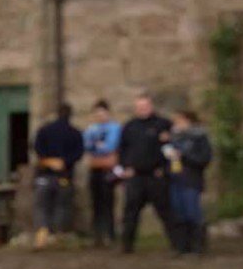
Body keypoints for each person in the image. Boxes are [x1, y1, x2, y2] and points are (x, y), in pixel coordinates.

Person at [118, 92, 174, 254]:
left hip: (156, 176)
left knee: (165, 211)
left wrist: (164, 168)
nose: (143, 109)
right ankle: (126, 246)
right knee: (130, 212)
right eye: (139, 107)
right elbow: (122, 149)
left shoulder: (163, 124)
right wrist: (125, 167)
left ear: (151, 106)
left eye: (145, 106)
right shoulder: (129, 126)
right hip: (135, 176)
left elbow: (171, 148)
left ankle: (176, 244)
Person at [32, 102, 85, 249]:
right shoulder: (75, 133)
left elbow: (37, 149)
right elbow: (78, 154)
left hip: (44, 176)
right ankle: (57, 235)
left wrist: (49, 161)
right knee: (62, 206)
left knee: (42, 206)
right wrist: (64, 162)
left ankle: (42, 233)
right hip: (65, 177)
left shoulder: (44, 130)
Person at [165, 109, 214, 255]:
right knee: (178, 212)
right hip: (175, 179)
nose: (177, 124)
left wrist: (184, 156)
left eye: (179, 121)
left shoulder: (200, 138)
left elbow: (204, 159)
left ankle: (198, 245)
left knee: (192, 212)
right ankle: (182, 246)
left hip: (191, 179)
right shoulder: (173, 138)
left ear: (188, 121)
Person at [83, 99, 122, 247]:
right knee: (96, 203)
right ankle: (97, 235)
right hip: (95, 169)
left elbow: (110, 146)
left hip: (108, 169)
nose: (99, 116)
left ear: (107, 113)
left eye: (102, 113)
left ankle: (110, 234)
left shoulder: (114, 128)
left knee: (108, 202)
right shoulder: (91, 129)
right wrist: (98, 147)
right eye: (96, 113)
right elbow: (87, 146)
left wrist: (99, 147)